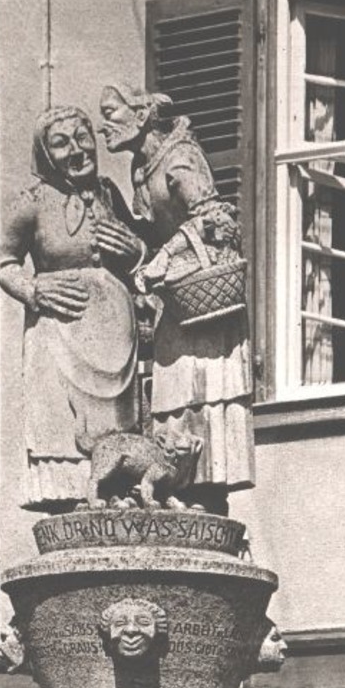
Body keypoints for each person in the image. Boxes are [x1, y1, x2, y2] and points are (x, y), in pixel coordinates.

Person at [98, 84, 255, 509]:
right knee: (173, 400)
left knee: (201, 397)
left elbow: (218, 219)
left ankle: (207, 494)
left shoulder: (179, 159)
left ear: (143, 114)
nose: (102, 126)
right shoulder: (141, 168)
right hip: (176, 299)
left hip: (204, 305)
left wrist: (164, 254)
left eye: (111, 113)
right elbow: (154, 234)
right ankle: (181, 492)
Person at [0, 105, 145, 510]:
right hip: (61, 324)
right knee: (64, 420)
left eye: (83, 138)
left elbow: (140, 249)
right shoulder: (31, 202)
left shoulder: (109, 194)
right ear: (45, 154)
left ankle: (116, 488)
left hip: (114, 327)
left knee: (117, 417)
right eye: (61, 144)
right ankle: (70, 494)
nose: (77, 150)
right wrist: (33, 291)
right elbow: (4, 263)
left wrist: (135, 251)